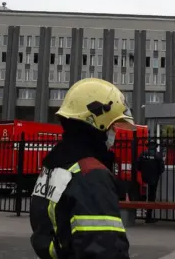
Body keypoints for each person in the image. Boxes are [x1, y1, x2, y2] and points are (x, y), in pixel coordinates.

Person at [30, 78, 134, 259]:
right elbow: (104, 249)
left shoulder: (55, 165)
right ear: (98, 123)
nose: (114, 133)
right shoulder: (91, 175)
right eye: (112, 126)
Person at [137, 140, 165, 223]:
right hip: (154, 178)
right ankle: (148, 216)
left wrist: (143, 172)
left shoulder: (143, 154)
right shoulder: (157, 155)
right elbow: (162, 168)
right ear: (155, 146)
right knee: (152, 196)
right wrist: (157, 173)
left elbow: (138, 166)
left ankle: (147, 215)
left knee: (147, 195)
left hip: (145, 177)